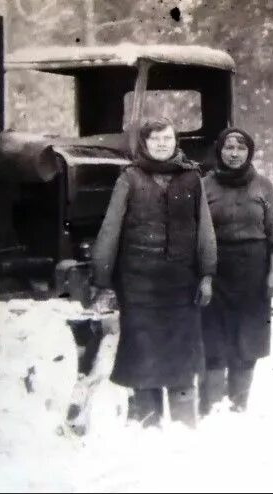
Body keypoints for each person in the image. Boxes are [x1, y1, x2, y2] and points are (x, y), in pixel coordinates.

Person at [91, 118, 216, 427]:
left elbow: (205, 230)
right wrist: (103, 279)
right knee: (144, 357)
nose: (162, 144)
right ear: (144, 144)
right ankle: (149, 426)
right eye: (156, 139)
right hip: (139, 286)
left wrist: (207, 274)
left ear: (176, 142)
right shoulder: (130, 178)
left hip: (181, 285)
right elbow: (110, 229)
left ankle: (184, 428)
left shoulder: (191, 178)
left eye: (168, 138)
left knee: (182, 358)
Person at [199, 127, 273, 414]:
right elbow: (196, 234)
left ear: (249, 152)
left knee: (248, 339)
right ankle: (211, 408)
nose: (234, 154)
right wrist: (204, 276)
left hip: (253, 271)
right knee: (213, 340)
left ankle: (239, 406)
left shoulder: (264, 186)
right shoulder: (204, 185)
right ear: (219, 151)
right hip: (215, 269)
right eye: (228, 148)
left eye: (240, 148)